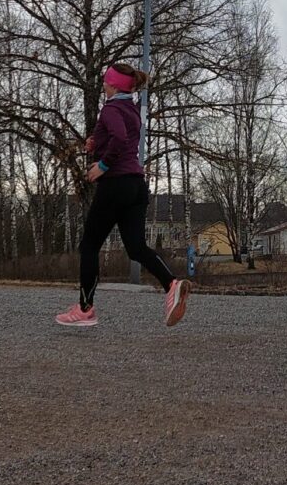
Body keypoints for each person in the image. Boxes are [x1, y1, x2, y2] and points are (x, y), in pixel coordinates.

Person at [56, 63, 190, 328]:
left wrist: (102, 165)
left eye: (106, 82)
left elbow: (118, 137)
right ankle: (171, 284)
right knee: (136, 248)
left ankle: (85, 309)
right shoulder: (130, 109)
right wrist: (96, 143)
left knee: (90, 245)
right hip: (136, 185)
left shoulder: (111, 108)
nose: (103, 85)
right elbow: (123, 137)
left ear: (113, 85)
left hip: (115, 184)